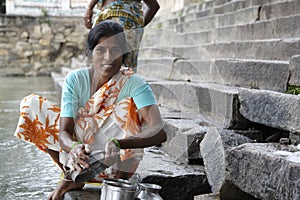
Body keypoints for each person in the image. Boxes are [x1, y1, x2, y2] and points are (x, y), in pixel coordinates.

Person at [14, 20, 167, 200]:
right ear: (90, 53)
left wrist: (120, 143)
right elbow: (64, 132)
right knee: (31, 104)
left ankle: (119, 182)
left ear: (124, 54)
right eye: (100, 50)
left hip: (114, 160)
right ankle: (71, 176)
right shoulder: (75, 79)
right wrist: (74, 148)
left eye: (115, 50)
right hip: (80, 158)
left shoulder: (135, 84)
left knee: (130, 106)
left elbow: (159, 132)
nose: (108, 57)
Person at [83, 0, 160, 72]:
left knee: (104, 66)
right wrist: (137, 26)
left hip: (118, 18)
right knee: (122, 69)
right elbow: (154, 7)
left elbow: (154, 7)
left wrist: (89, 7)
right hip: (129, 21)